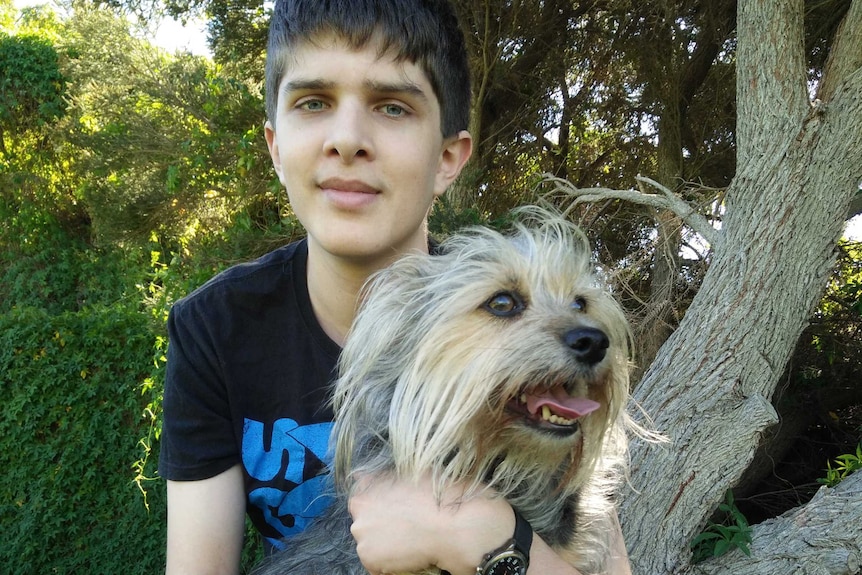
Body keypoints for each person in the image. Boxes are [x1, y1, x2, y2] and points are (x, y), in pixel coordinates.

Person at [159, 1, 631, 574]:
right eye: (313, 102)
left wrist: (473, 530)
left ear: (448, 157)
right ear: (276, 147)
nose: (348, 139)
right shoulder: (216, 326)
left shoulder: (534, 368)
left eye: (392, 107)